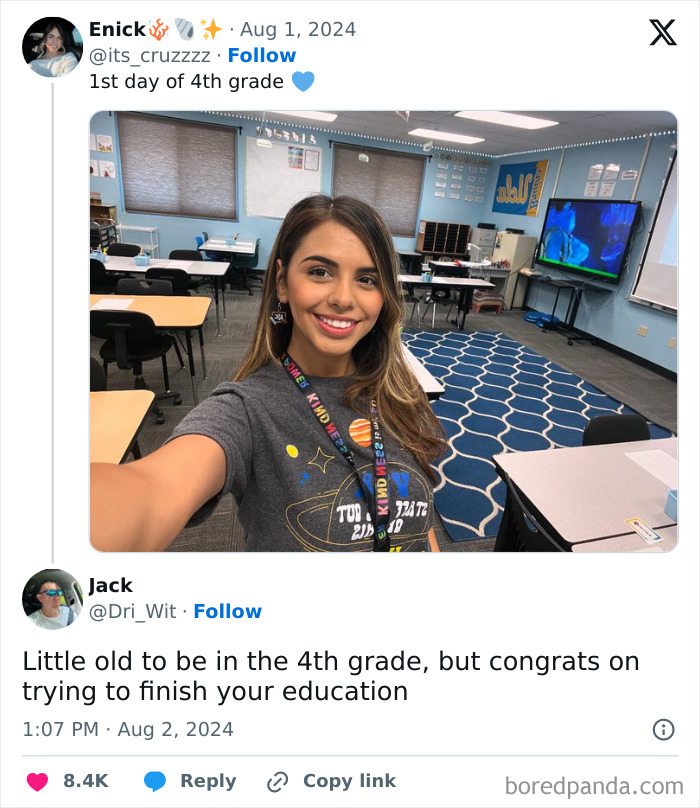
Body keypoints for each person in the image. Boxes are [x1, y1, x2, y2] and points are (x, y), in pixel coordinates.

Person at [91, 195, 446, 552]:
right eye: (320, 272)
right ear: (281, 282)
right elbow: (151, 492)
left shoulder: (398, 391)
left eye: (367, 279)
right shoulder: (245, 412)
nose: (343, 297)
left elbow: (415, 511)